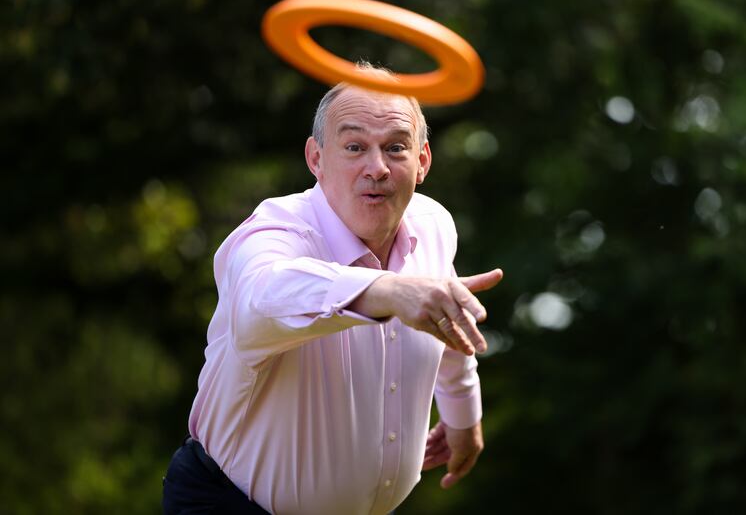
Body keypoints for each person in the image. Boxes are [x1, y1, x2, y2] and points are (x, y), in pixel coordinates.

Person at [162, 63, 503, 515]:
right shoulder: (273, 232)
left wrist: (462, 415)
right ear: (316, 158)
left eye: (396, 148)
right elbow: (261, 302)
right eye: (355, 146)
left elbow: (443, 312)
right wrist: (387, 290)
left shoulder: (434, 224)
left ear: (422, 162)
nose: (377, 168)